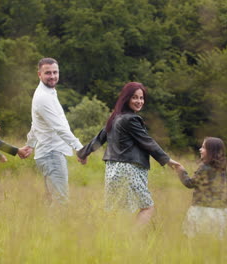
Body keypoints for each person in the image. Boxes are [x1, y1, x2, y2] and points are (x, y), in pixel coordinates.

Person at [76, 82, 181, 226]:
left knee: (119, 212)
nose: (139, 101)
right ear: (126, 98)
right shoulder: (131, 119)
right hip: (129, 169)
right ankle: (133, 240)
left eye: (141, 98)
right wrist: (167, 160)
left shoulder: (115, 117)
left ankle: (118, 241)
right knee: (147, 207)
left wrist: (83, 153)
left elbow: (99, 138)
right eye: (134, 98)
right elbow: (147, 141)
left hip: (112, 170)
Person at [20, 58, 83, 205]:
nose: (53, 76)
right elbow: (59, 127)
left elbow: (36, 123)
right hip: (52, 154)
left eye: (55, 72)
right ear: (39, 74)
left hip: (49, 154)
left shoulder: (48, 92)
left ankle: (46, 228)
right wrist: (80, 148)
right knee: (61, 201)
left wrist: (30, 144)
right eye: (48, 73)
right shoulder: (43, 97)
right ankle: (58, 227)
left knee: (51, 201)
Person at [174, 137, 227, 239]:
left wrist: (181, 171)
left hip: (202, 209)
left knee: (200, 237)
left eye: (203, 147)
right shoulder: (222, 168)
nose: (200, 149)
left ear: (211, 151)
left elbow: (190, 183)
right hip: (219, 210)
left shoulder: (204, 168)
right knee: (216, 238)